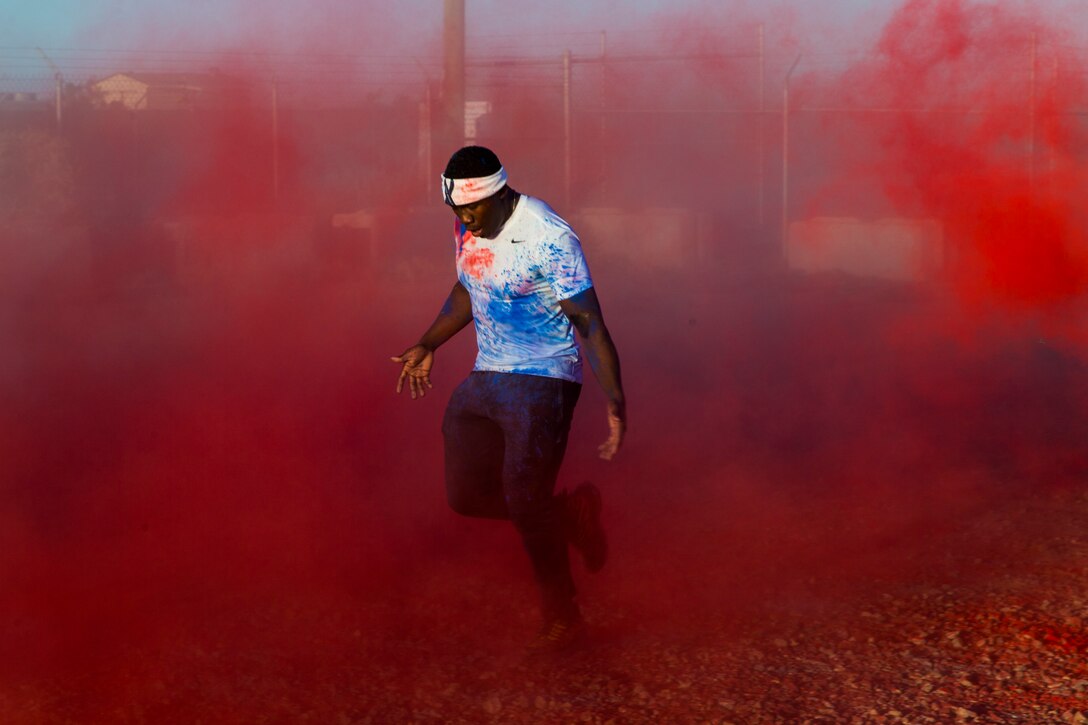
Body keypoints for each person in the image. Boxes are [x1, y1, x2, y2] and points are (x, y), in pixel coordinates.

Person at [391, 145, 626, 653]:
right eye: (456, 210)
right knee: (464, 497)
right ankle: (569, 516)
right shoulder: (467, 223)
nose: (464, 219)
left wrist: (615, 399)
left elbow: (589, 322)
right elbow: (468, 287)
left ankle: (563, 616)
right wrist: (428, 342)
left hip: (544, 378)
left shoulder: (548, 236)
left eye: (471, 208)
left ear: (499, 193)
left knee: (523, 496)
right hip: (489, 376)